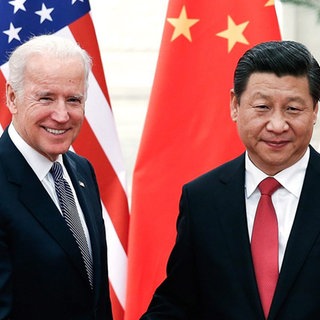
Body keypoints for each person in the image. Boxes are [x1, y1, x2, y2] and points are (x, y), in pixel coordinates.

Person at [140, 40, 320, 319]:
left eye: (293, 109)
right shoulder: (202, 198)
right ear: (235, 105)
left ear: (314, 111)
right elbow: (177, 303)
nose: (277, 125)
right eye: (262, 107)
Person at [0, 35, 113, 320]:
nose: (62, 115)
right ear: (12, 98)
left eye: (73, 99)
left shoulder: (81, 170)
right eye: (46, 98)